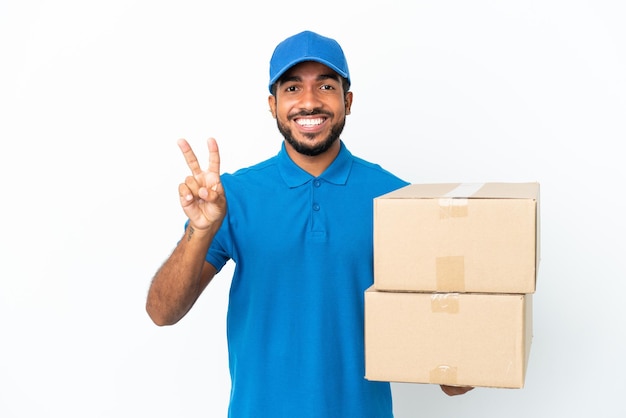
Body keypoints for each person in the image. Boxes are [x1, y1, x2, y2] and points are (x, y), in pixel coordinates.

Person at [146, 30, 473, 418]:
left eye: (326, 86)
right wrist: (200, 232)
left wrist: (470, 349)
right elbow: (162, 313)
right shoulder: (231, 196)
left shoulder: (398, 200)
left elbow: (454, 378)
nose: (309, 102)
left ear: (347, 101)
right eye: (292, 88)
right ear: (273, 104)